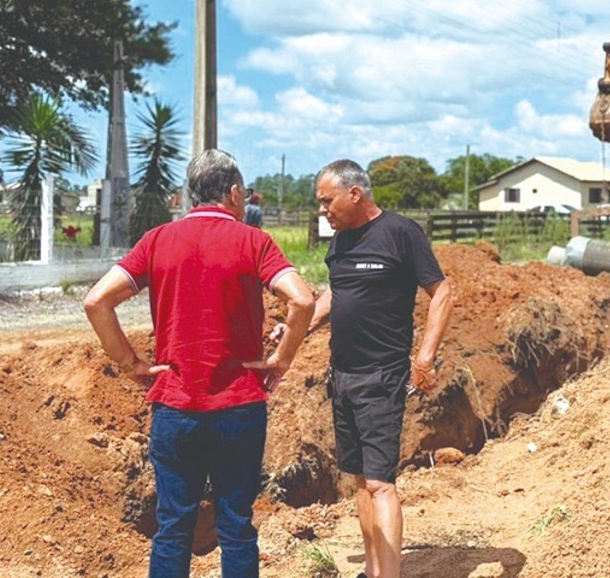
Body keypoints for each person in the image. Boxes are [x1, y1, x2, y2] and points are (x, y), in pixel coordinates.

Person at [83, 149, 314, 578]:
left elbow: (97, 301)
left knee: (173, 529)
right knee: (237, 528)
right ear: (234, 192)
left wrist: (131, 364)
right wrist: (280, 360)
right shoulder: (254, 241)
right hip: (240, 407)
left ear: (192, 194)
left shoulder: (157, 241)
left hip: (175, 406)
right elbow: (301, 299)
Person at [311, 159, 453, 578]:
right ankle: (373, 571)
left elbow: (442, 292)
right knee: (359, 480)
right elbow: (336, 293)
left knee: (379, 483)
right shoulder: (340, 241)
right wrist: (299, 325)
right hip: (342, 376)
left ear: (355, 194)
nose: (322, 210)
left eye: (327, 200)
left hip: (381, 376)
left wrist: (424, 357)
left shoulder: (400, 233)